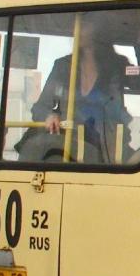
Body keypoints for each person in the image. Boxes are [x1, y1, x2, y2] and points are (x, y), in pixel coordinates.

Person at [17, 13, 131, 163]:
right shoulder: (63, 66)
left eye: (83, 25)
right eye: (75, 26)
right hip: (66, 149)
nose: (76, 31)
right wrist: (49, 116)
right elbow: (40, 107)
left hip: (106, 149)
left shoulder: (117, 65)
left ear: (99, 30)